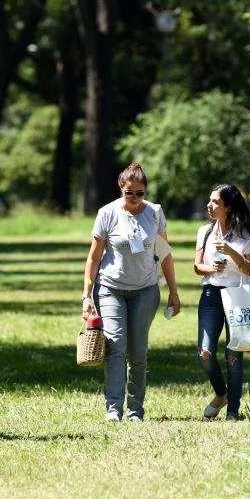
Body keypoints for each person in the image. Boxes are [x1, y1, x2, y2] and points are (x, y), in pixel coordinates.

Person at [82, 161, 181, 422]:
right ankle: (114, 408)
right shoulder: (107, 213)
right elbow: (94, 258)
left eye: (140, 193)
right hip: (111, 289)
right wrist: (86, 295)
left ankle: (136, 409)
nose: (135, 198)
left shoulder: (155, 213)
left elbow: (166, 255)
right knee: (115, 347)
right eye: (129, 193)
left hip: (145, 291)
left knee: (138, 352)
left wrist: (174, 291)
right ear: (121, 189)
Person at [193, 183, 250, 422]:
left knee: (233, 355)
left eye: (216, 203)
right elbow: (197, 266)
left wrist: (232, 252)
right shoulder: (204, 231)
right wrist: (210, 268)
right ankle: (221, 394)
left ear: (229, 207)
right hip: (211, 295)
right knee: (205, 352)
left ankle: (233, 410)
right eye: (209, 201)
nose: (210, 206)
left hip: (237, 298)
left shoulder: (247, 235)